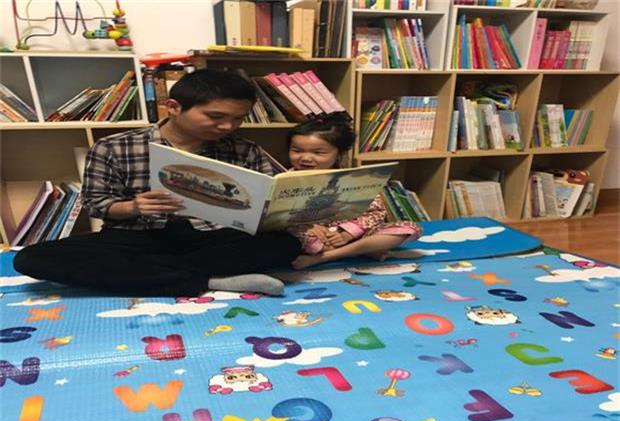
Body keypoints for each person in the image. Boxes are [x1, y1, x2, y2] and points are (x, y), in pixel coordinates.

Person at [13, 69, 302, 296]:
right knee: (31, 259)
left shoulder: (244, 149)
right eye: (215, 116)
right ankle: (210, 280)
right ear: (173, 107)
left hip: (213, 238)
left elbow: (268, 200)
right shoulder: (114, 147)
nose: (227, 127)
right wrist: (133, 207)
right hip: (138, 237)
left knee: (285, 244)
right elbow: (97, 205)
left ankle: (147, 276)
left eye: (238, 119)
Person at [286, 114, 422, 269]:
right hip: (312, 235)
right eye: (297, 150)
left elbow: (376, 212)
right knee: (304, 242)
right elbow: (278, 218)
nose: (305, 158)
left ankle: (327, 256)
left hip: (353, 234)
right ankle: (362, 250)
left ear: (339, 153)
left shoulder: (354, 179)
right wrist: (308, 228)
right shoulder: (283, 180)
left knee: (408, 228)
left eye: (318, 153)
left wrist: (347, 233)